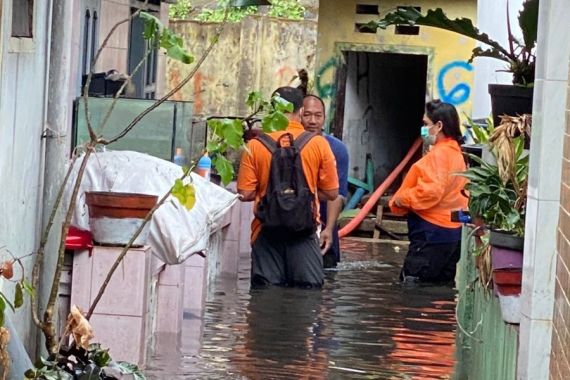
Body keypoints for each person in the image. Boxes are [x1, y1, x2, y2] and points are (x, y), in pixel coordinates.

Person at [237, 87, 339, 288]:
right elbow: (332, 192)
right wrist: (302, 194)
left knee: (265, 295)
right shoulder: (318, 144)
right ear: (301, 111)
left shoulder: (255, 146)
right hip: (304, 232)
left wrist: (273, 195)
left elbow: (245, 193)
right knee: (306, 296)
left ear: (272, 110)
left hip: (266, 231)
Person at [389, 100, 468, 284]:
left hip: (430, 233)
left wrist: (402, 199)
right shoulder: (457, 154)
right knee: (440, 289)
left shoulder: (439, 155)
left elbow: (431, 192)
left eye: (426, 124)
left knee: (413, 286)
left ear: (439, 126)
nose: (423, 129)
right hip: (452, 234)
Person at [301, 94, 349, 268]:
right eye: (307, 115)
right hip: (294, 223)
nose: (312, 121)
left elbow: (337, 195)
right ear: (299, 115)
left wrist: (329, 228)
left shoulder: (337, 148)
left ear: (324, 118)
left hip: (323, 225)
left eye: (318, 115)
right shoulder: (290, 145)